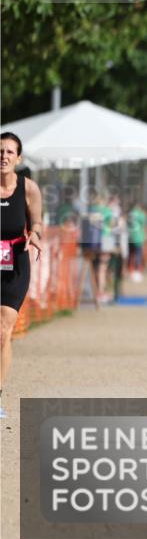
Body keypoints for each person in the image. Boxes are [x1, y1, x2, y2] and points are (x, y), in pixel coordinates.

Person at [0, 132, 44, 419]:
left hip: (16, 263)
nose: (3, 156)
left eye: (9, 152)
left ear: (19, 158)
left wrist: (37, 235)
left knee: (3, 330)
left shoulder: (28, 188)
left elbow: (37, 221)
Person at [127, 203, 147, 282]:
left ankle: (131, 272)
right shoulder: (141, 214)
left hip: (130, 237)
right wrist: (146, 236)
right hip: (139, 237)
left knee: (131, 255)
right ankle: (137, 272)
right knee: (138, 254)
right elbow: (144, 225)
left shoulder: (130, 214)